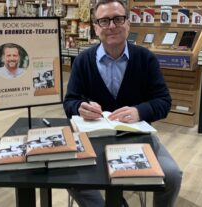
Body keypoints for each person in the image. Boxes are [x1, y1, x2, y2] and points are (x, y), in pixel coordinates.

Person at [63, 0, 182, 206]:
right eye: (104, 21)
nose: (111, 26)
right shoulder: (83, 60)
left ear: (128, 23)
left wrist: (140, 111)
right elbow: (70, 102)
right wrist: (79, 108)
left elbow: (164, 102)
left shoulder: (146, 59)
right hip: (93, 142)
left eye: (118, 19)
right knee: (69, 176)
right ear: (95, 27)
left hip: (139, 141)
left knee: (172, 175)